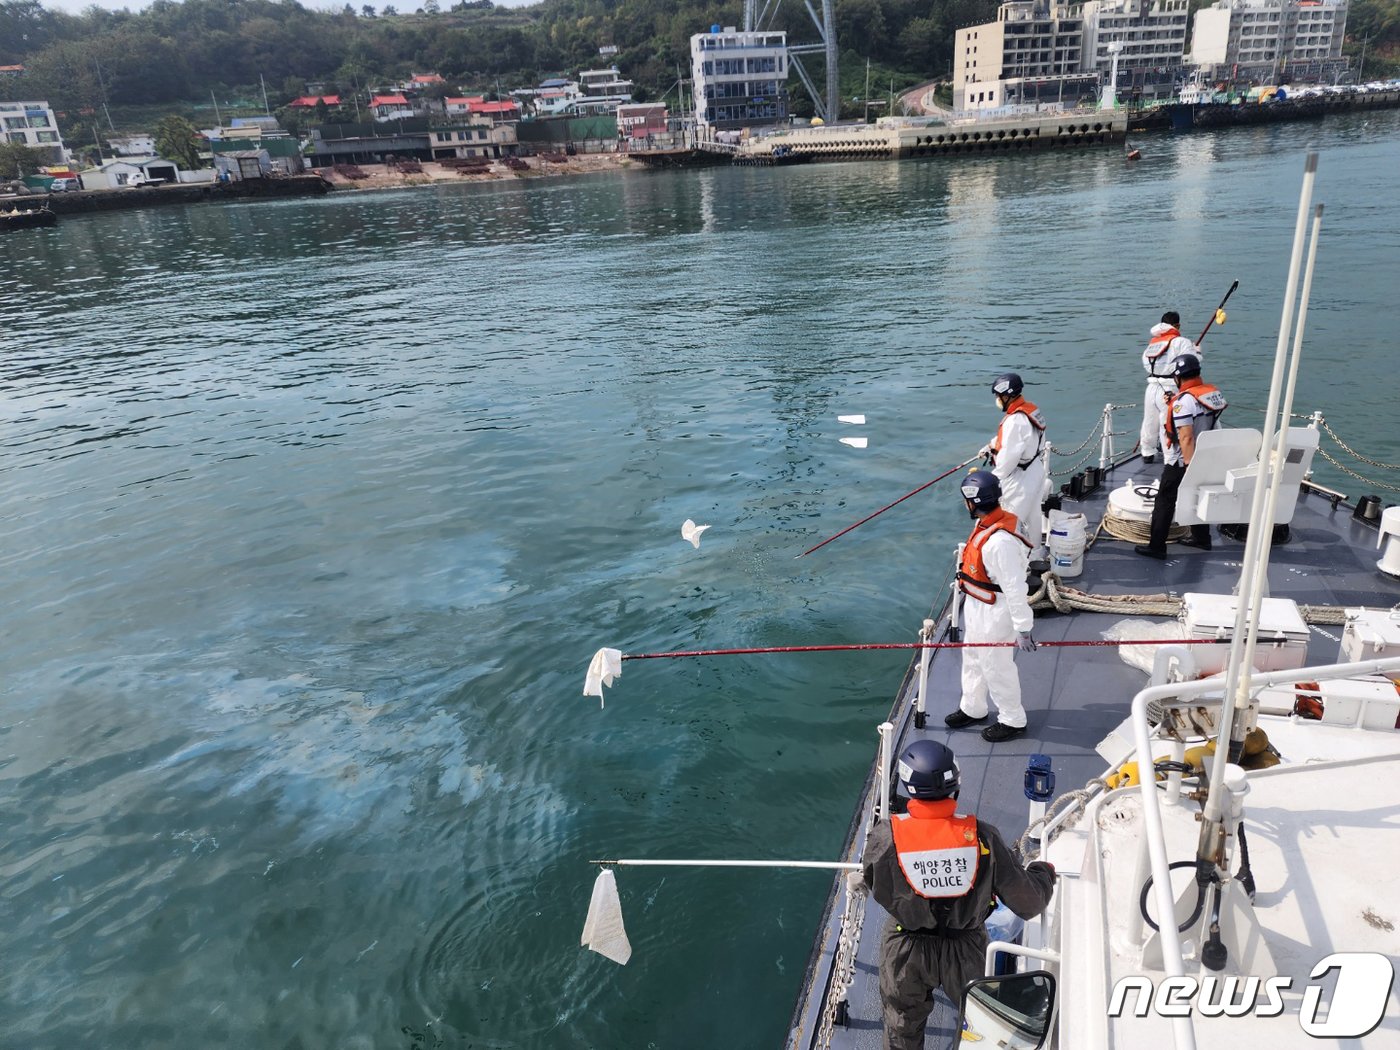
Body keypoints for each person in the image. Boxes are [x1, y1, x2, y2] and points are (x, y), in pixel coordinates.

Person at [854, 739, 1057, 1050]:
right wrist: (1043, 874)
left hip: (905, 947)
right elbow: (1028, 903)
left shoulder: (885, 836)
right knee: (982, 1025)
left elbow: (873, 880)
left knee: (901, 1027)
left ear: (909, 787)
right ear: (955, 785)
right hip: (967, 950)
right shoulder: (983, 837)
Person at [946, 470, 1037, 742]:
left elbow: (1014, 587)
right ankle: (973, 707)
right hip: (977, 605)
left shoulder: (1000, 543)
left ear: (973, 502)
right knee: (973, 657)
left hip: (996, 612)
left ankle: (1012, 719)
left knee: (996, 666)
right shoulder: (987, 524)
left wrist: (1023, 628)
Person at [1135, 353, 1227, 559]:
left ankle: (1157, 546)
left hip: (1183, 460)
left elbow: (1185, 437)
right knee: (1197, 495)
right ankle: (1202, 539)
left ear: (1177, 377)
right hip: (1207, 456)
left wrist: (1188, 466)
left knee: (1165, 500)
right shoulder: (1211, 394)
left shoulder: (1183, 403)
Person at [984, 373, 1048, 549]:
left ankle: (1015, 561)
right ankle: (1035, 554)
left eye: (998, 396)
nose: (997, 400)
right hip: (1035, 469)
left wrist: (990, 482)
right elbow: (1024, 441)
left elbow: (1006, 462)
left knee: (1010, 520)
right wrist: (990, 446)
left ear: (1006, 396)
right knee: (1034, 517)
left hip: (1020, 479)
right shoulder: (1030, 411)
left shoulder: (1014, 421)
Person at [1139, 311, 1199, 464]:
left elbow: (1145, 363)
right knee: (1167, 423)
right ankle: (1170, 459)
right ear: (1177, 325)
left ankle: (1147, 452)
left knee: (1149, 420)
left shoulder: (1153, 343)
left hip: (1151, 387)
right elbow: (1190, 362)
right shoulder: (1181, 342)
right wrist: (1197, 351)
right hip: (1170, 388)